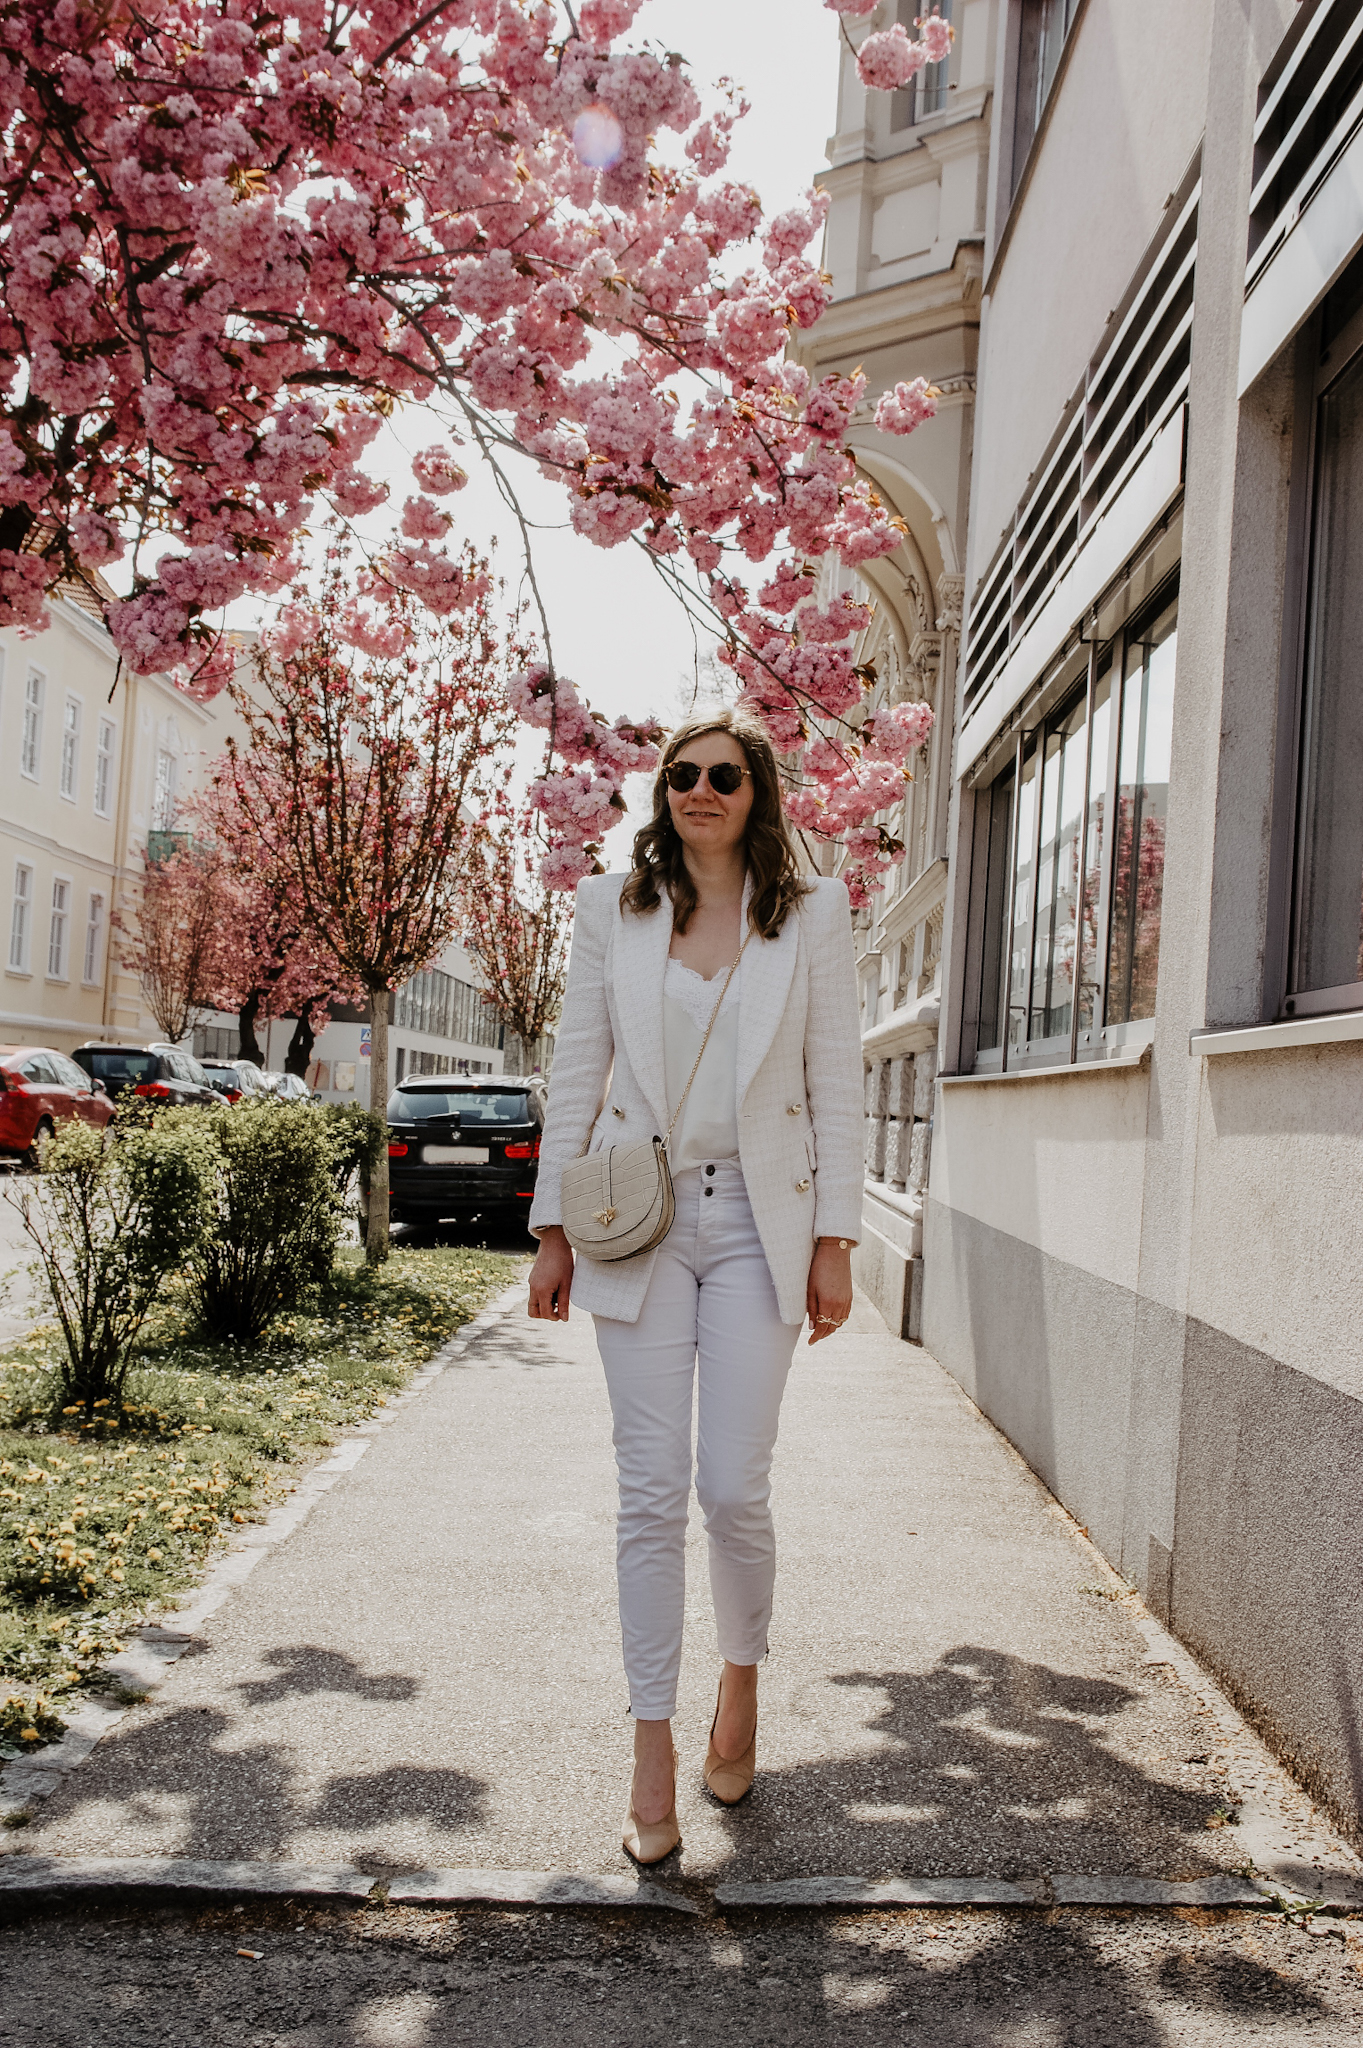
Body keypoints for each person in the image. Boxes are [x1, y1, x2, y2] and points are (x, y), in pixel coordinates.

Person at [527, 706, 864, 1865]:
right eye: (681, 775)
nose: (700, 791)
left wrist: (836, 1239)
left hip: (758, 1220)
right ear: (661, 792)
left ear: (756, 792)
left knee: (731, 1484)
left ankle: (741, 1681)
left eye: (723, 775)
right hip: (639, 1219)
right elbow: (578, 1065)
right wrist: (553, 1228)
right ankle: (650, 1747)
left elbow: (836, 1081)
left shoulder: (811, 914)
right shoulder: (608, 907)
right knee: (649, 1488)